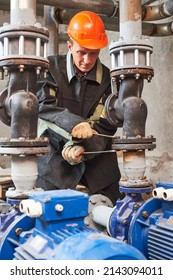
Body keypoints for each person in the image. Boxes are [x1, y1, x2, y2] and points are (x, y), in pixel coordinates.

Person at [36, 10, 123, 206]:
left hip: (97, 159)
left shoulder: (109, 80)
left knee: (115, 213)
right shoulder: (49, 68)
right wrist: (73, 127)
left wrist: (85, 147)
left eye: (93, 53)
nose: (87, 60)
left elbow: (107, 125)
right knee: (50, 212)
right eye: (81, 52)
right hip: (55, 159)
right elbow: (44, 109)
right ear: (69, 46)